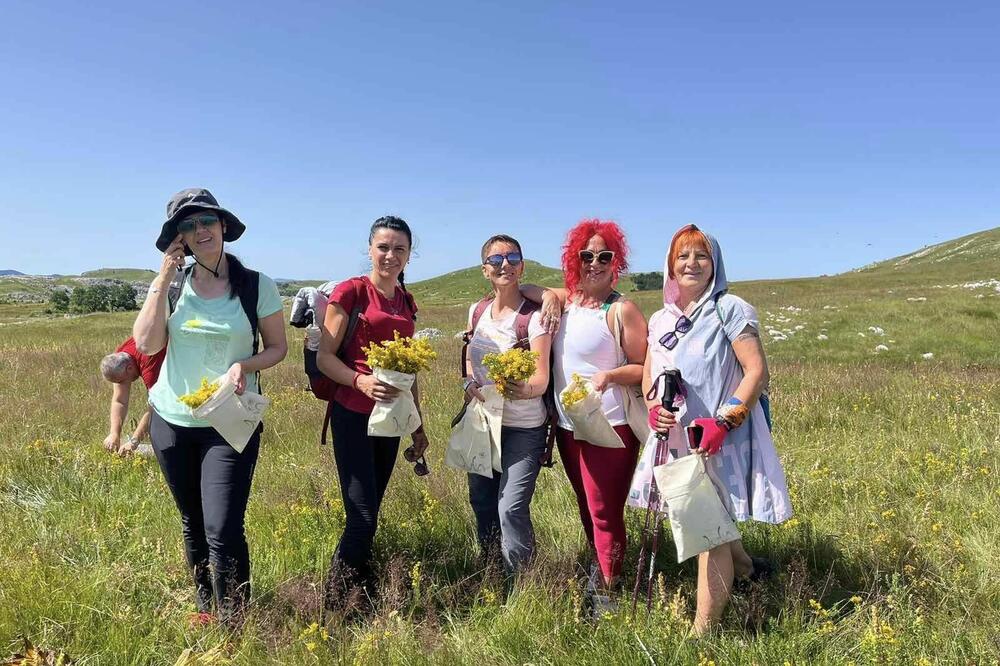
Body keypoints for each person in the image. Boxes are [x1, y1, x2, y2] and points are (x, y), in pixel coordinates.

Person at [133, 188, 287, 626]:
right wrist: (163, 276)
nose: (200, 230)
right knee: (192, 521)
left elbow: (277, 348)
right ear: (177, 237)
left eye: (206, 221)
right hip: (171, 421)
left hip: (229, 421)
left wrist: (244, 364)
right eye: (188, 225)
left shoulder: (257, 285)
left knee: (222, 527)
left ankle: (234, 621)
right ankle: (206, 608)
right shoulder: (172, 285)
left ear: (223, 227)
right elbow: (146, 344)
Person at [643, 224, 792, 635]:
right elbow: (649, 374)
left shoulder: (731, 309)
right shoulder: (660, 319)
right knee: (704, 517)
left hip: (719, 439)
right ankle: (745, 567)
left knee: (707, 531)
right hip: (677, 437)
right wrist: (655, 408)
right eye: (682, 256)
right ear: (671, 266)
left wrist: (724, 419)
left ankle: (702, 632)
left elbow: (756, 371)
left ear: (715, 264)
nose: (691, 263)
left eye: (701, 256)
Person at [525, 219, 648, 612]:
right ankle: (601, 568)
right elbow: (524, 288)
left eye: (603, 256)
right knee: (585, 504)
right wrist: (548, 295)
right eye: (586, 255)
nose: (594, 263)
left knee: (604, 511)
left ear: (616, 262)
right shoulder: (569, 301)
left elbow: (645, 367)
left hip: (610, 428)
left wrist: (609, 376)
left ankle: (609, 593)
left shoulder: (622, 309)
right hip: (568, 426)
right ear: (574, 259)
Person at [317, 216, 430, 608]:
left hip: (392, 418)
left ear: (409, 255)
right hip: (352, 413)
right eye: (383, 247)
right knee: (362, 516)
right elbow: (325, 358)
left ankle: (359, 591)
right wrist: (359, 381)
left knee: (372, 510)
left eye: (399, 249)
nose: (390, 255)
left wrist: (418, 424)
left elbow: (409, 369)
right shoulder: (351, 292)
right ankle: (333, 606)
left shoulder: (406, 301)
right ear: (369, 249)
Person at [461, 234, 552, 574]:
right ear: (485, 270)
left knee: (510, 507)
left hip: (524, 426)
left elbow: (541, 378)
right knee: (482, 502)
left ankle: (522, 581)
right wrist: (469, 382)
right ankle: (490, 571)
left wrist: (519, 390)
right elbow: (470, 360)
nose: (505, 265)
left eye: (512, 258)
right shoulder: (477, 311)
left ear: (522, 266)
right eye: (496, 260)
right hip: (484, 421)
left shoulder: (536, 317)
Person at [100, 336, 165, 456]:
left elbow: (155, 407)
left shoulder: (151, 367)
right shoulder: (121, 356)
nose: (121, 385)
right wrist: (114, 433)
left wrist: (134, 442)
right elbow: (119, 400)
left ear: (129, 368)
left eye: (121, 381)